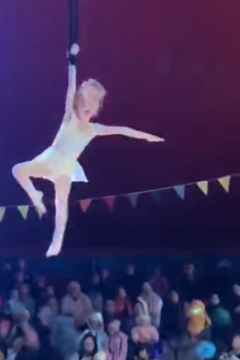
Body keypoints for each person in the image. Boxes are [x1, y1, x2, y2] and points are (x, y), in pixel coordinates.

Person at [11, 43, 164, 257]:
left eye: (90, 110)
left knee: (61, 202)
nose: (86, 112)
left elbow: (122, 130)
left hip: (65, 166)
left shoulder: (93, 129)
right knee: (18, 170)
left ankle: (57, 241)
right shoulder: (70, 117)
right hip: (51, 157)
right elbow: (70, 88)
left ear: (93, 112)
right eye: (83, 106)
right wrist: (72, 61)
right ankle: (35, 196)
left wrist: (147, 136)